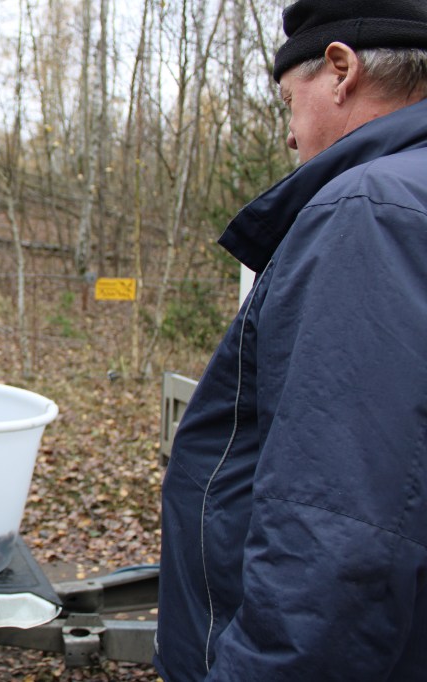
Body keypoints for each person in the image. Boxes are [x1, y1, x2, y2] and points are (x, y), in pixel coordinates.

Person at [155, 1, 427, 679]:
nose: (288, 133)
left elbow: (336, 526)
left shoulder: (369, 212)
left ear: (340, 70)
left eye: (287, 101)